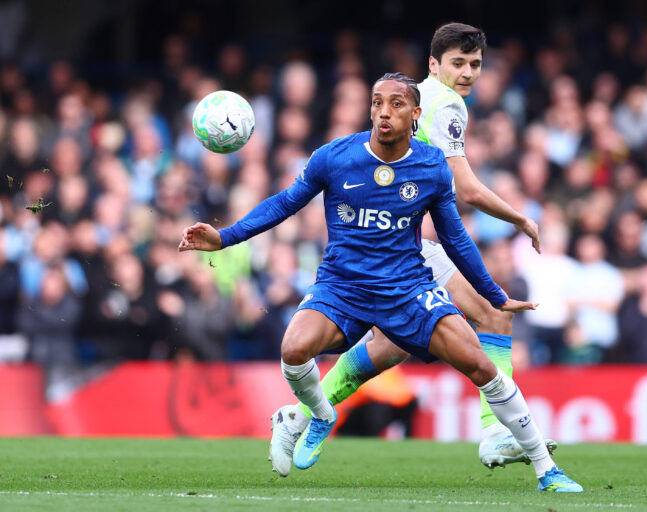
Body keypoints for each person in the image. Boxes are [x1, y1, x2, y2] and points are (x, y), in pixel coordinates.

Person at [179, 73, 582, 492]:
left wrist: (494, 295)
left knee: (482, 365)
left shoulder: (431, 166)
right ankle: (318, 414)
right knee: (293, 349)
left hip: (407, 289)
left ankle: (546, 469)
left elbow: (455, 238)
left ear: (416, 114)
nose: (383, 112)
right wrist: (225, 237)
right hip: (343, 286)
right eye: (376, 103)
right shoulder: (333, 157)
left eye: (395, 104)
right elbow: (284, 204)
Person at [270, 22, 549, 478]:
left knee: (392, 347)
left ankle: (300, 416)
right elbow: (467, 190)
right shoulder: (446, 105)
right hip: (405, 245)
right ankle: (493, 430)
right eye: (458, 63)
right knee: (495, 313)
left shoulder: (417, 95)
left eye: (475, 65)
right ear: (434, 65)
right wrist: (520, 218)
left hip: (396, 241)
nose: (467, 74)